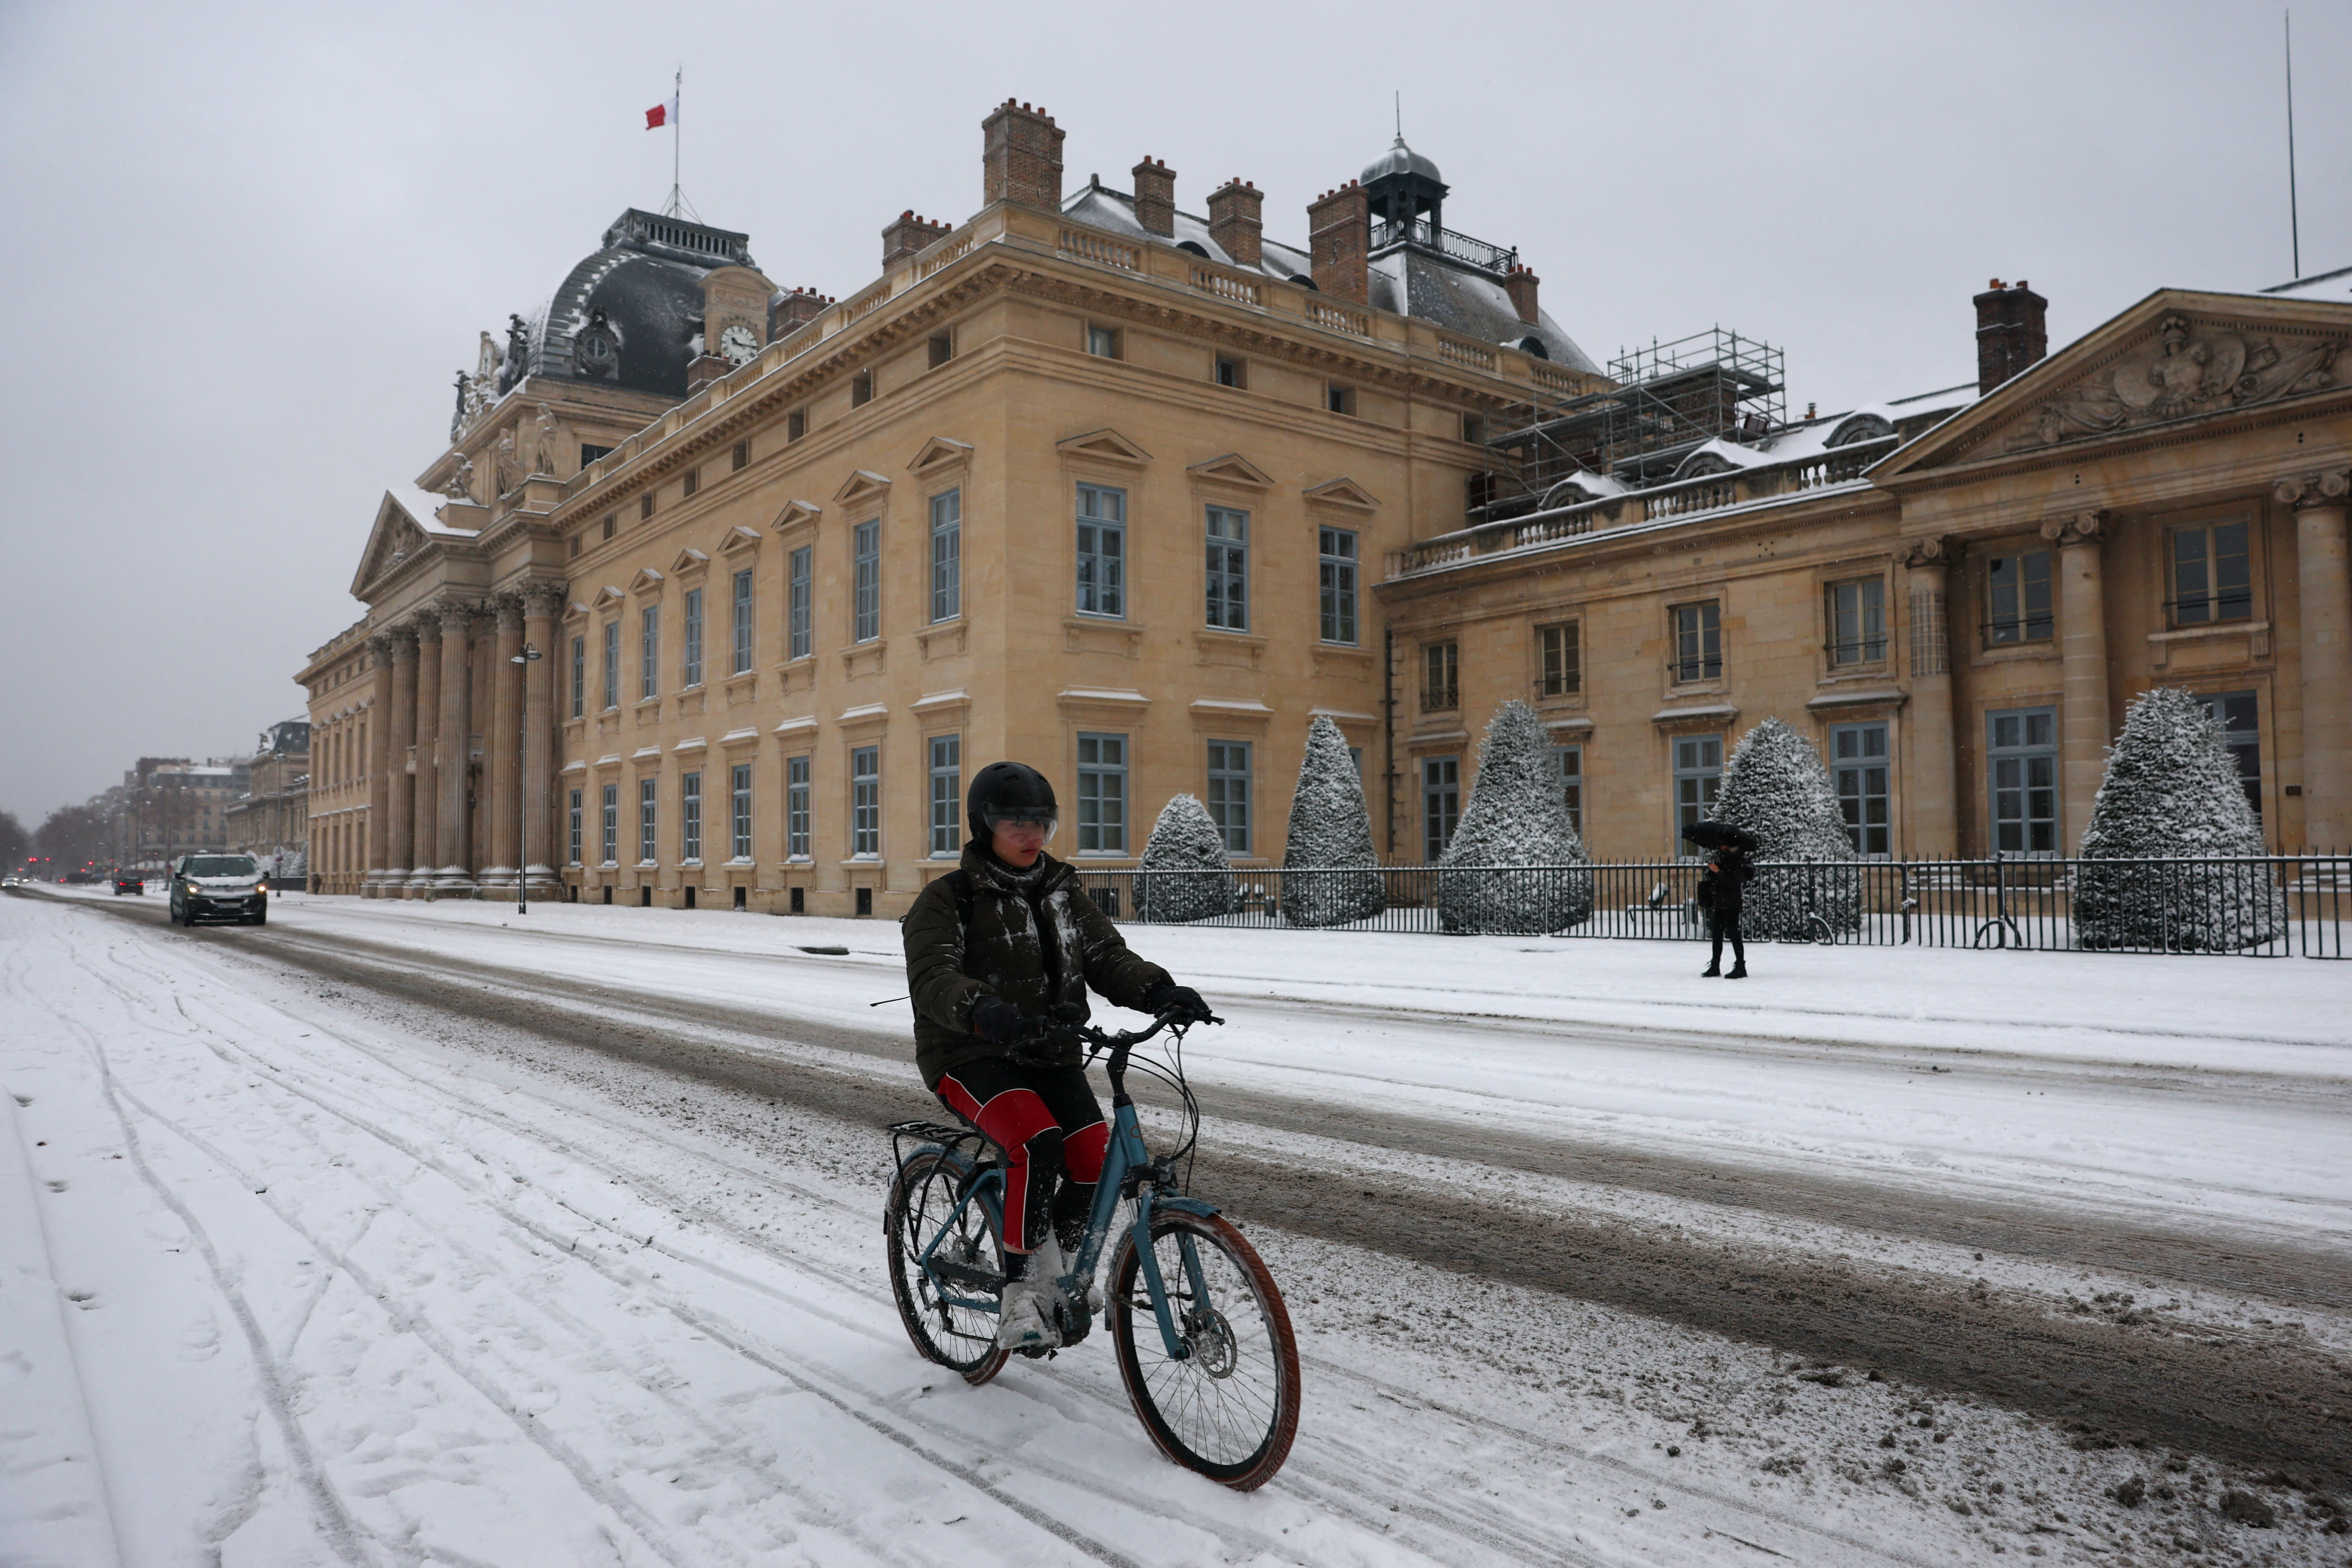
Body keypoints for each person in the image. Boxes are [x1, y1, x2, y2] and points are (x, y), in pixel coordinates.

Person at [902, 761, 1214, 1352]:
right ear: (984, 826)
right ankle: (1021, 1292)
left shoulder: (1062, 892)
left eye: (1041, 822)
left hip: (1049, 1052)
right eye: (1015, 823)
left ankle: (1063, 1269)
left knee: (1094, 1158)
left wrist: (1159, 991)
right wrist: (981, 1005)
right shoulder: (949, 899)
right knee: (1036, 1142)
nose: (1032, 834)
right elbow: (934, 977)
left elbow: (1106, 956)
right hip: (969, 1053)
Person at [1696, 843, 1752, 979]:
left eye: (1725, 845)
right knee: (1717, 934)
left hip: (1732, 903)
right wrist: (1714, 870)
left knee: (1734, 934)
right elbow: (1719, 879)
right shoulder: (1723, 859)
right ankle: (1715, 965)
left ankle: (1740, 966)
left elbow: (1733, 882)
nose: (1721, 847)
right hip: (1720, 901)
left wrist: (1718, 872)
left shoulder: (1739, 861)